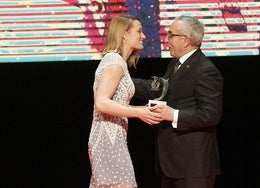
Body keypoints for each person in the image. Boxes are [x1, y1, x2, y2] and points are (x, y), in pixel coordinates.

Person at [133, 16, 223, 188]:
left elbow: (210, 115)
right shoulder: (175, 64)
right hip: (173, 164)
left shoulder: (206, 70)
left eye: (170, 35)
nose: (166, 40)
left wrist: (172, 114)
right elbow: (158, 89)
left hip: (193, 166)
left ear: (186, 40)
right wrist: (124, 81)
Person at [88, 14, 162, 188]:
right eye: (139, 31)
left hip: (113, 138)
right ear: (124, 34)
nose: (143, 36)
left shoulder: (118, 62)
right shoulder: (114, 62)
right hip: (107, 139)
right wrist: (139, 111)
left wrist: (143, 108)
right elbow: (101, 102)